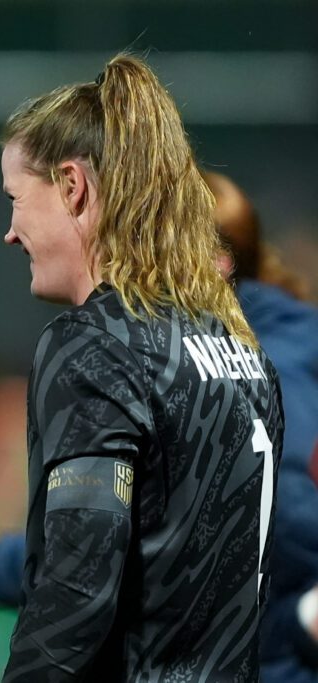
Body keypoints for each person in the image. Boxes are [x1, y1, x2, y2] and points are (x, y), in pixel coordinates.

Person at [0, 53, 281, 681]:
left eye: (16, 199)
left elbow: (77, 588)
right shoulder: (240, 345)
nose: (10, 232)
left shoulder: (96, 343)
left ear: (72, 186)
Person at [205, 171, 318, 683]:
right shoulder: (288, 338)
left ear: (217, 264)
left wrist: (298, 619)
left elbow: (288, 512)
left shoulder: (263, 362)